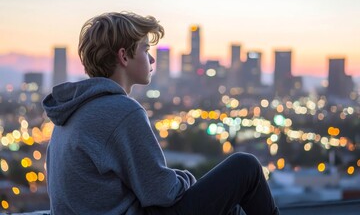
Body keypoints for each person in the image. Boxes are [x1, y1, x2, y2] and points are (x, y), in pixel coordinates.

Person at [42, 11, 279, 215]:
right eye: (145, 50)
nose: (152, 58)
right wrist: (188, 178)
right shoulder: (122, 111)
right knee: (245, 166)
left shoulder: (69, 113)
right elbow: (162, 192)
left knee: (231, 206)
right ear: (124, 56)